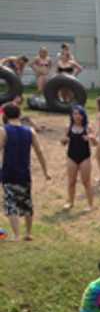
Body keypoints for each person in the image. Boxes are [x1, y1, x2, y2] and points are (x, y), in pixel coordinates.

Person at [0, 103, 50, 241]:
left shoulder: (3, 130)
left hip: (8, 172)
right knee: (26, 202)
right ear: (19, 115)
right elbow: (39, 152)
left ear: (5, 115)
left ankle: (16, 235)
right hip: (24, 172)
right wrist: (46, 172)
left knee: (11, 204)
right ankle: (28, 233)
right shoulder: (30, 131)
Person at [61, 104, 96, 211]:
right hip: (71, 156)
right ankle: (70, 202)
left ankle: (90, 204)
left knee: (86, 182)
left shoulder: (88, 127)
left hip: (85, 157)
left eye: (79, 114)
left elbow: (96, 143)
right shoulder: (68, 127)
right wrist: (64, 140)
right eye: (75, 114)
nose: (77, 116)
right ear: (72, 115)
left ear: (83, 115)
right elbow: (63, 142)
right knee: (71, 181)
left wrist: (91, 138)